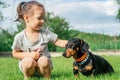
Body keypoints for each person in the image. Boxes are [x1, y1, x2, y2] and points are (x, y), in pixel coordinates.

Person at [11, 1, 68, 80]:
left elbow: (58, 41)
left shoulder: (45, 33)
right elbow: (15, 53)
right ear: (26, 18)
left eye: (43, 18)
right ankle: (27, 77)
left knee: (44, 60)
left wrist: (71, 43)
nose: (42, 21)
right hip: (29, 67)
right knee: (28, 61)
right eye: (39, 18)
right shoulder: (20, 37)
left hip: (43, 67)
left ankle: (47, 78)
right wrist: (29, 55)